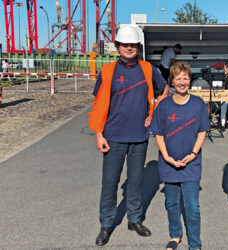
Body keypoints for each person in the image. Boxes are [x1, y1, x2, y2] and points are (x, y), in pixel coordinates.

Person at [88, 25, 169, 246]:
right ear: (118, 46)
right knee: (110, 182)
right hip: (112, 136)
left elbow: (165, 90)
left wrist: (154, 110)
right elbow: (98, 105)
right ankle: (106, 224)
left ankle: (134, 219)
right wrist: (98, 134)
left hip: (139, 136)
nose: (129, 48)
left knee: (136, 181)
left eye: (133, 44)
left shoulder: (148, 69)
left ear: (138, 47)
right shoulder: (107, 71)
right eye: (125, 44)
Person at [149, 61, 209, 250]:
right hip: (169, 163)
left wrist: (193, 154)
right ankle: (175, 236)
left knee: (192, 206)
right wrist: (166, 157)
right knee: (172, 202)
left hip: (191, 164)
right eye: (178, 78)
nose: (182, 82)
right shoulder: (164, 106)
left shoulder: (198, 104)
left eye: (186, 78)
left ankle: (195, 244)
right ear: (172, 81)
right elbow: (158, 133)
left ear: (190, 80)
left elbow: (202, 132)